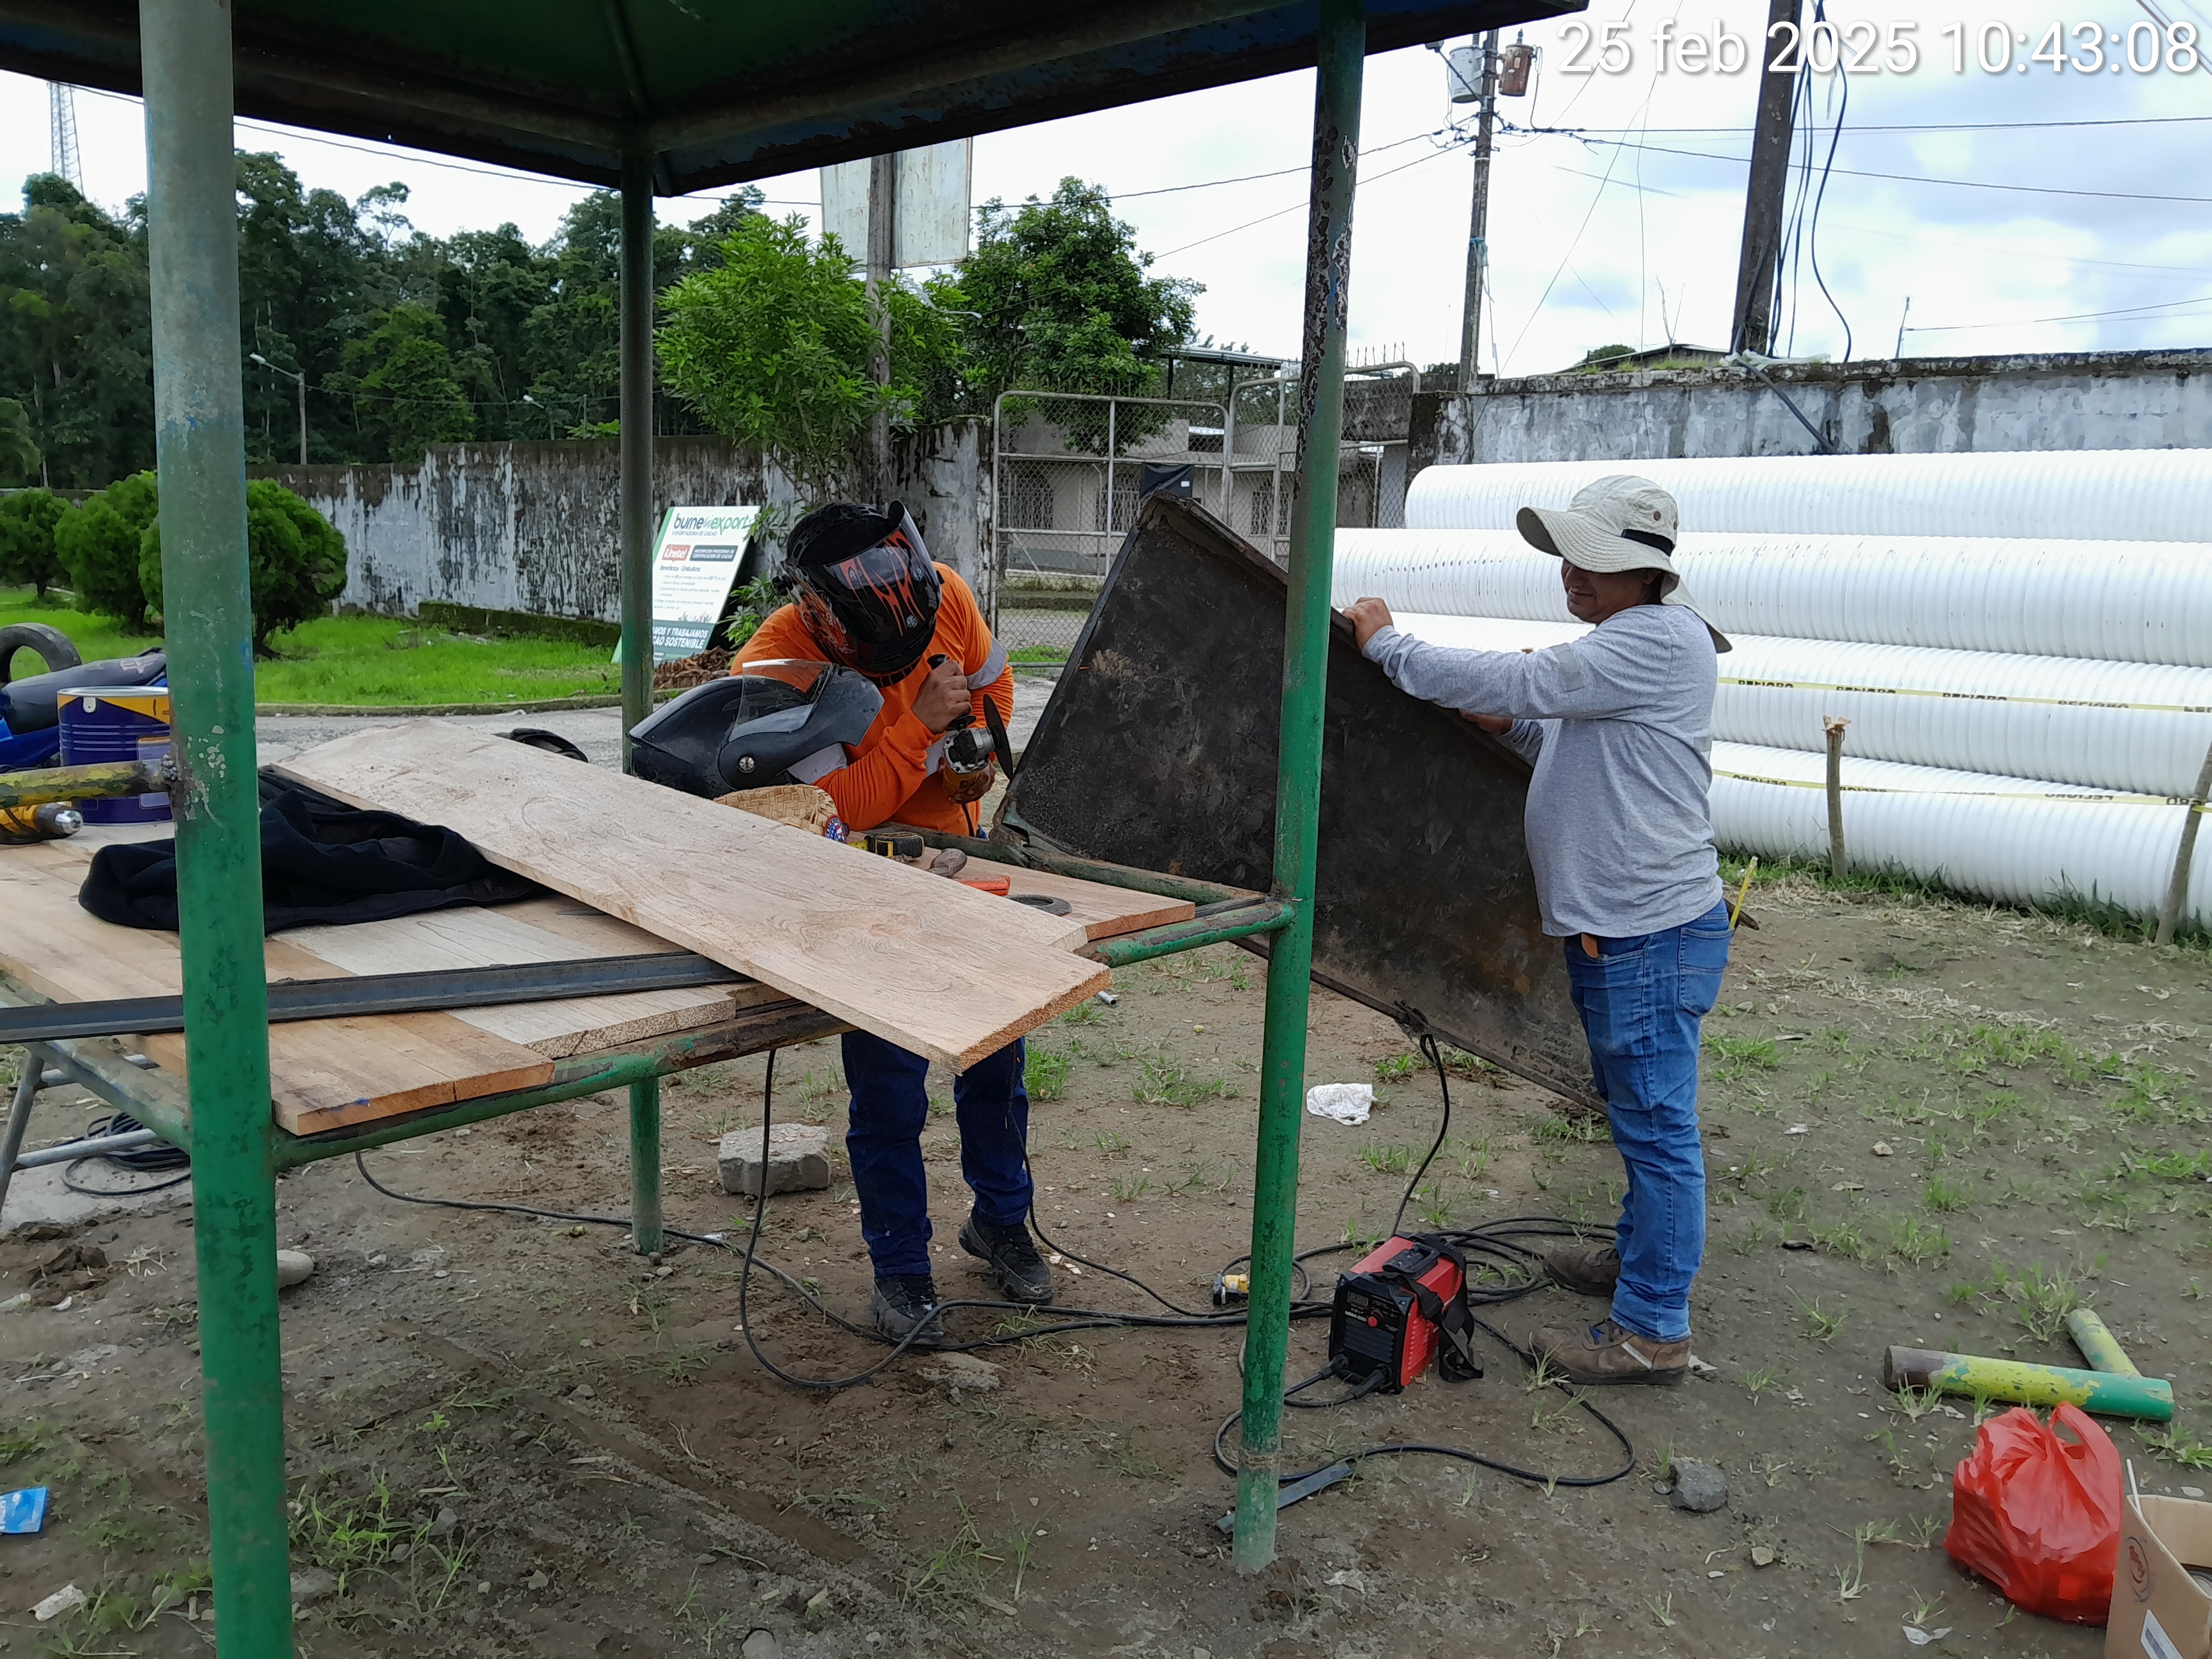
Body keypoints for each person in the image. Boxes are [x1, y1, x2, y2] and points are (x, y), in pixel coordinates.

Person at [1341, 474, 1733, 1386]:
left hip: (1647, 938)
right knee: (1638, 1118)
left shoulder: (1656, 638)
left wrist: (1390, 646)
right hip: (1629, 935)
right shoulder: (1630, 647)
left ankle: (1653, 1331)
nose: (1572, 572)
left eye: (1593, 559)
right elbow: (1565, 740)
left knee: (1657, 1131)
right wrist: (1513, 728)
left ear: (1647, 573)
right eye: (1569, 555)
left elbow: (1526, 679)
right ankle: (1639, 1260)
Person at [733, 500, 1049, 1345]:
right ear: (825, 619)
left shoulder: (944, 593)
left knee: (996, 1059)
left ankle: (1001, 1222)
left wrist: (968, 750)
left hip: (955, 865)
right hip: (857, 887)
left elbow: (994, 688)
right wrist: (920, 730)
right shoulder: (775, 664)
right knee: (889, 1089)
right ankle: (901, 1270)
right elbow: (827, 812)